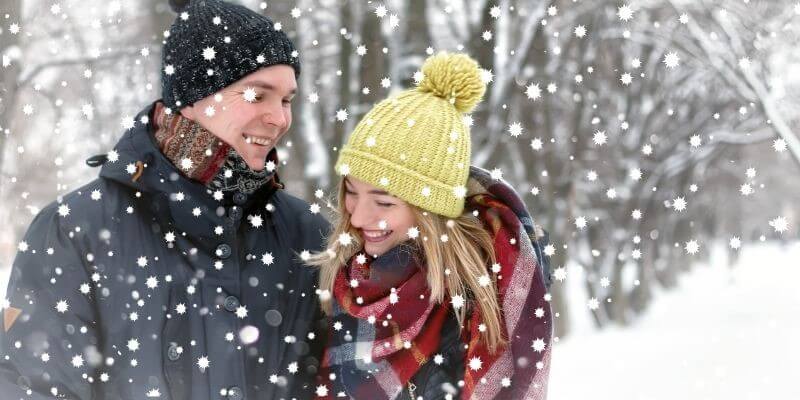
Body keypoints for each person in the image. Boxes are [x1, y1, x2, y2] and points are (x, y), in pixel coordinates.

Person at [0, 0, 329, 399]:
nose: (279, 118)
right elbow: (33, 386)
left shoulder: (309, 235)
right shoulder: (75, 230)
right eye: (258, 96)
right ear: (192, 97)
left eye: (287, 99)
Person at [311, 53, 552, 399]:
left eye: (384, 202)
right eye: (351, 192)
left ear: (430, 210)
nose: (359, 217)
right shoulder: (347, 278)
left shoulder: (482, 300)